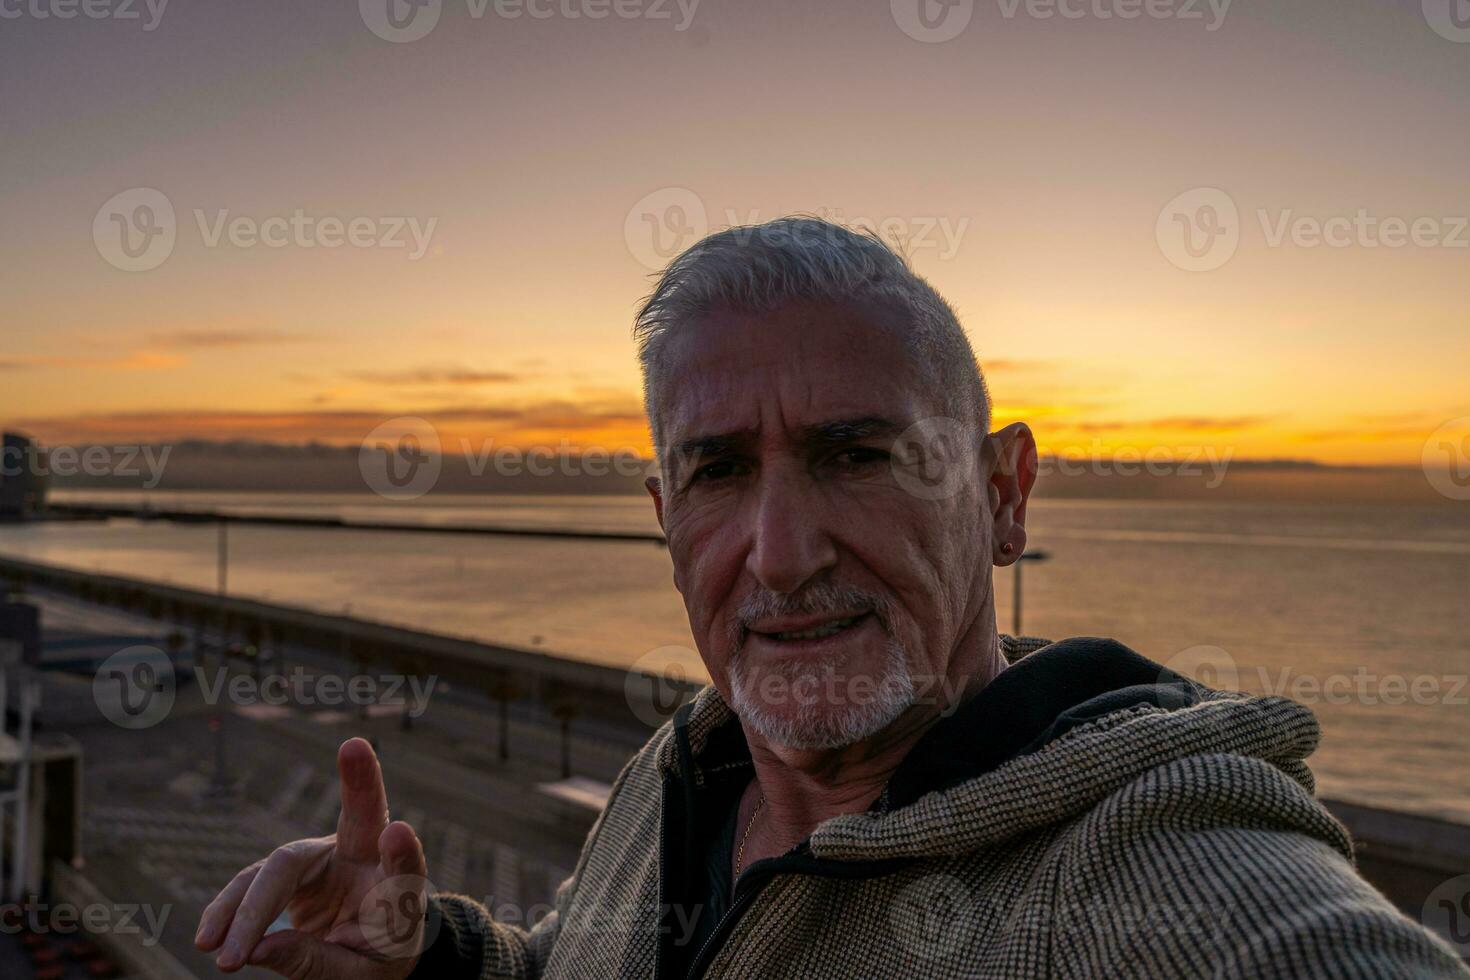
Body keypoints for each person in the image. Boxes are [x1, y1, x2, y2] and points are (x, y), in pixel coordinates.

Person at [195, 217, 1468, 978]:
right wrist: (437, 956)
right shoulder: (683, 766)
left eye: (857, 455)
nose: (782, 548)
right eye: (719, 469)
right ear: (663, 519)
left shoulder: (1168, 875)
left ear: (1006, 493)